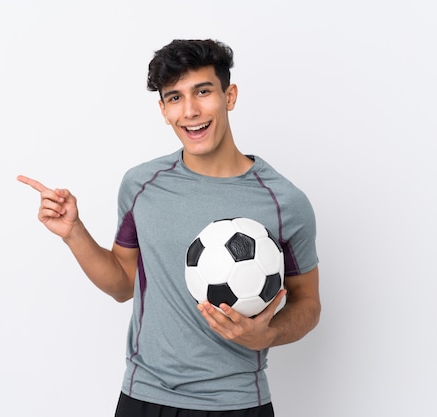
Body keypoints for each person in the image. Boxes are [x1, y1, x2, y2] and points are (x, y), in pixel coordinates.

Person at [17, 39, 320, 417]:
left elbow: (308, 302)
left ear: (230, 96)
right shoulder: (141, 185)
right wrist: (74, 232)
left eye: (203, 92)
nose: (190, 111)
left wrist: (269, 334)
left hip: (237, 403)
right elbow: (122, 285)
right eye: (174, 98)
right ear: (163, 110)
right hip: (144, 396)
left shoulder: (284, 201)